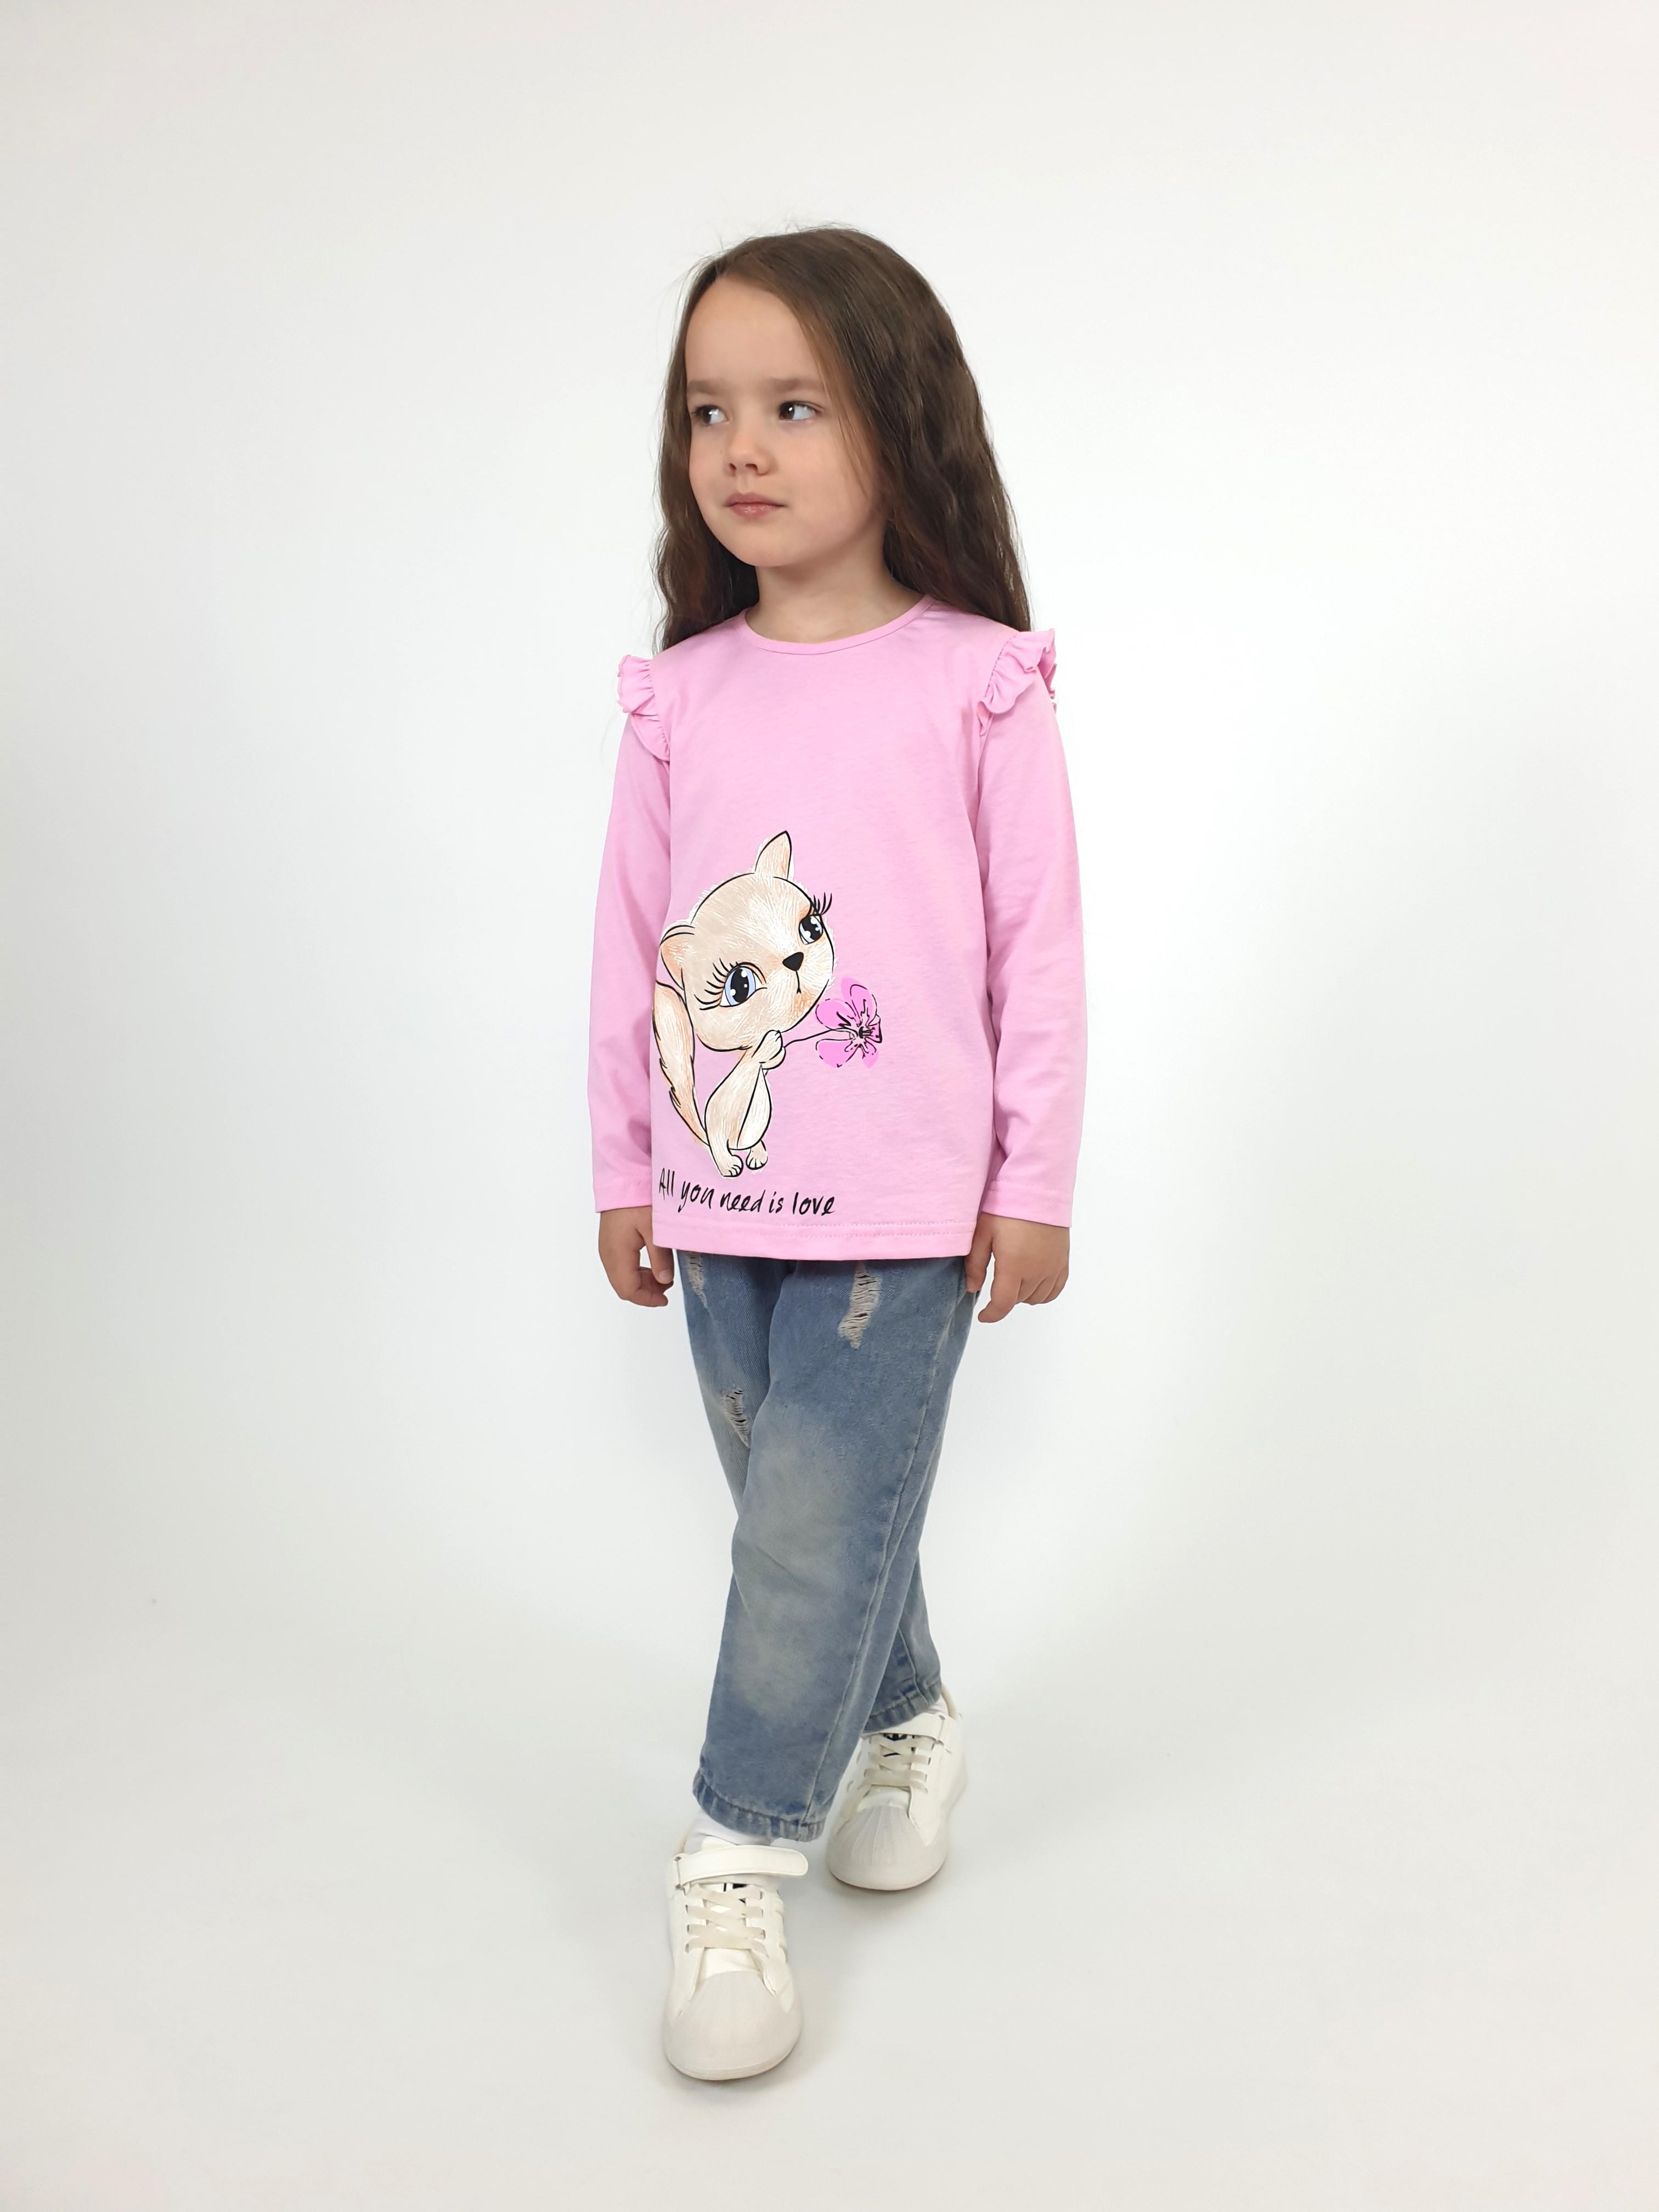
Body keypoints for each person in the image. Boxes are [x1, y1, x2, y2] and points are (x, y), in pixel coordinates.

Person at [586, 225, 1087, 2081]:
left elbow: (1039, 950)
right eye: (709, 409)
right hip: (720, 1199)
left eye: (795, 405)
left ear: (900, 418)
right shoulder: (684, 696)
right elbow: (630, 944)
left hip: (904, 1206)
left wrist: (1032, 1179)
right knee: (793, 1500)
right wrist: (625, 1163)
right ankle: (912, 1714)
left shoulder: (979, 683)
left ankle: (733, 1857)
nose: (743, 446)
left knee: (807, 1528)